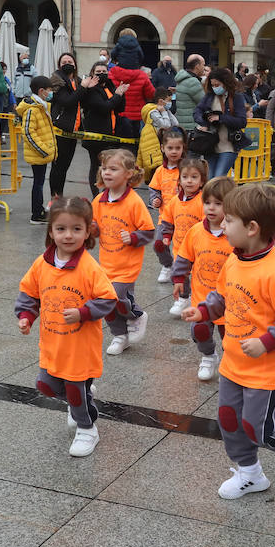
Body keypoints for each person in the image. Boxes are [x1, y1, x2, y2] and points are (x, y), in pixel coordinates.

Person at [179, 183, 275, 499]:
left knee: (259, 427)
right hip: (233, 363)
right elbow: (221, 296)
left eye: (228, 221)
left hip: (265, 370)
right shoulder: (234, 260)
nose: (222, 226)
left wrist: (267, 342)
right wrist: (203, 310)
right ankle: (250, 473)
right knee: (228, 419)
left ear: (252, 228)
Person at [16, 197, 118, 458]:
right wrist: (27, 315)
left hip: (79, 346)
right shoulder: (43, 263)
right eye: (61, 229)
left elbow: (108, 299)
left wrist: (84, 312)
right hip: (52, 342)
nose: (68, 235)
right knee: (46, 385)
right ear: (51, 231)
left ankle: (87, 427)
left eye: (76, 229)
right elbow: (30, 291)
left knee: (74, 390)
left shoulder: (89, 268)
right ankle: (82, 399)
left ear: (87, 232)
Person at [171, 175, 236, 381]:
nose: (211, 208)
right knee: (199, 331)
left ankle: (230, 361)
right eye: (207, 202)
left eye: (218, 203)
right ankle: (208, 356)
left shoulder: (236, 234)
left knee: (230, 339)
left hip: (230, 301)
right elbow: (184, 257)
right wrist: (179, 279)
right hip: (202, 298)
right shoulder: (196, 231)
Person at [92, 148, 153, 355]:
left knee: (117, 297)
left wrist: (134, 237)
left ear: (128, 174)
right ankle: (120, 336)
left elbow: (149, 231)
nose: (106, 172)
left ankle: (136, 315)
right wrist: (90, 230)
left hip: (127, 266)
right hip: (106, 265)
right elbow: (95, 227)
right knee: (105, 302)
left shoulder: (134, 201)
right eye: (104, 168)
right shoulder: (99, 200)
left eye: (113, 169)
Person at [154, 157, 207, 308]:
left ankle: (198, 298)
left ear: (201, 181)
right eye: (185, 177)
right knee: (179, 273)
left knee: (199, 276)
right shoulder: (175, 201)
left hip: (199, 249)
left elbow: (207, 223)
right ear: (180, 180)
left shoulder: (203, 201)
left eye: (194, 177)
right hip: (180, 248)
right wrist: (166, 235)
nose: (189, 181)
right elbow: (167, 219)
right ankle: (184, 298)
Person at [78, 60, 129, 196]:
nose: (101, 74)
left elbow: (119, 108)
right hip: (95, 135)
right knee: (96, 166)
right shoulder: (91, 90)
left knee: (110, 166)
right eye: (98, 72)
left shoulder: (110, 86)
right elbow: (104, 108)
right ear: (92, 74)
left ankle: (108, 194)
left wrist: (121, 95)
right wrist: (118, 95)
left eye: (104, 72)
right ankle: (96, 196)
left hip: (111, 134)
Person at [17, 75, 59, 224]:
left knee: (39, 181)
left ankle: (39, 210)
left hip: (42, 152)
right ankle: (36, 213)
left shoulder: (41, 106)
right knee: (38, 183)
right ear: (41, 91)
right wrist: (44, 150)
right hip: (38, 153)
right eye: (49, 90)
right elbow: (28, 132)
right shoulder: (32, 109)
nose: (51, 93)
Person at [195, 67, 249, 179]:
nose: (215, 88)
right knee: (209, 179)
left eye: (217, 85)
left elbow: (242, 121)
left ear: (225, 83)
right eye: (213, 85)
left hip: (228, 146)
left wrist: (220, 118)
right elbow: (197, 112)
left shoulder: (236, 97)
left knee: (218, 178)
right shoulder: (209, 97)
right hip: (210, 144)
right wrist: (204, 122)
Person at [109, 28, 156, 140]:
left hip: (117, 117)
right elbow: (151, 95)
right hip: (137, 118)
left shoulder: (111, 74)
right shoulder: (142, 76)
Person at [48, 52, 83, 199]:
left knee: (65, 166)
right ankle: (55, 196)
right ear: (59, 65)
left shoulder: (78, 80)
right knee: (58, 166)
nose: (67, 63)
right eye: (64, 62)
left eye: (70, 61)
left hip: (73, 129)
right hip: (60, 128)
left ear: (75, 64)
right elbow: (67, 101)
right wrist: (84, 89)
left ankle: (59, 195)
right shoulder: (57, 81)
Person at [173, 53, 206, 131]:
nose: (204, 68)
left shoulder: (182, 79)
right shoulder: (192, 82)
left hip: (182, 123)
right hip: (192, 125)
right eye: (203, 65)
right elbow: (204, 102)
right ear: (197, 66)